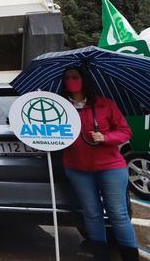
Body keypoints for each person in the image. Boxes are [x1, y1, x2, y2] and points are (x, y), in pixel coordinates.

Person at [59, 67, 136, 261]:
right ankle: (100, 255)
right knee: (91, 214)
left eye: (75, 77)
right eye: (67, 77)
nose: (70, 81)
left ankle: (130, 255)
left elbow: (125, 131)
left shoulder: (105, 104)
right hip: (77, 169)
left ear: (84, 80)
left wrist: (106, 137)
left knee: (117, 214)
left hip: (111, 167)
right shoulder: (60, 107)